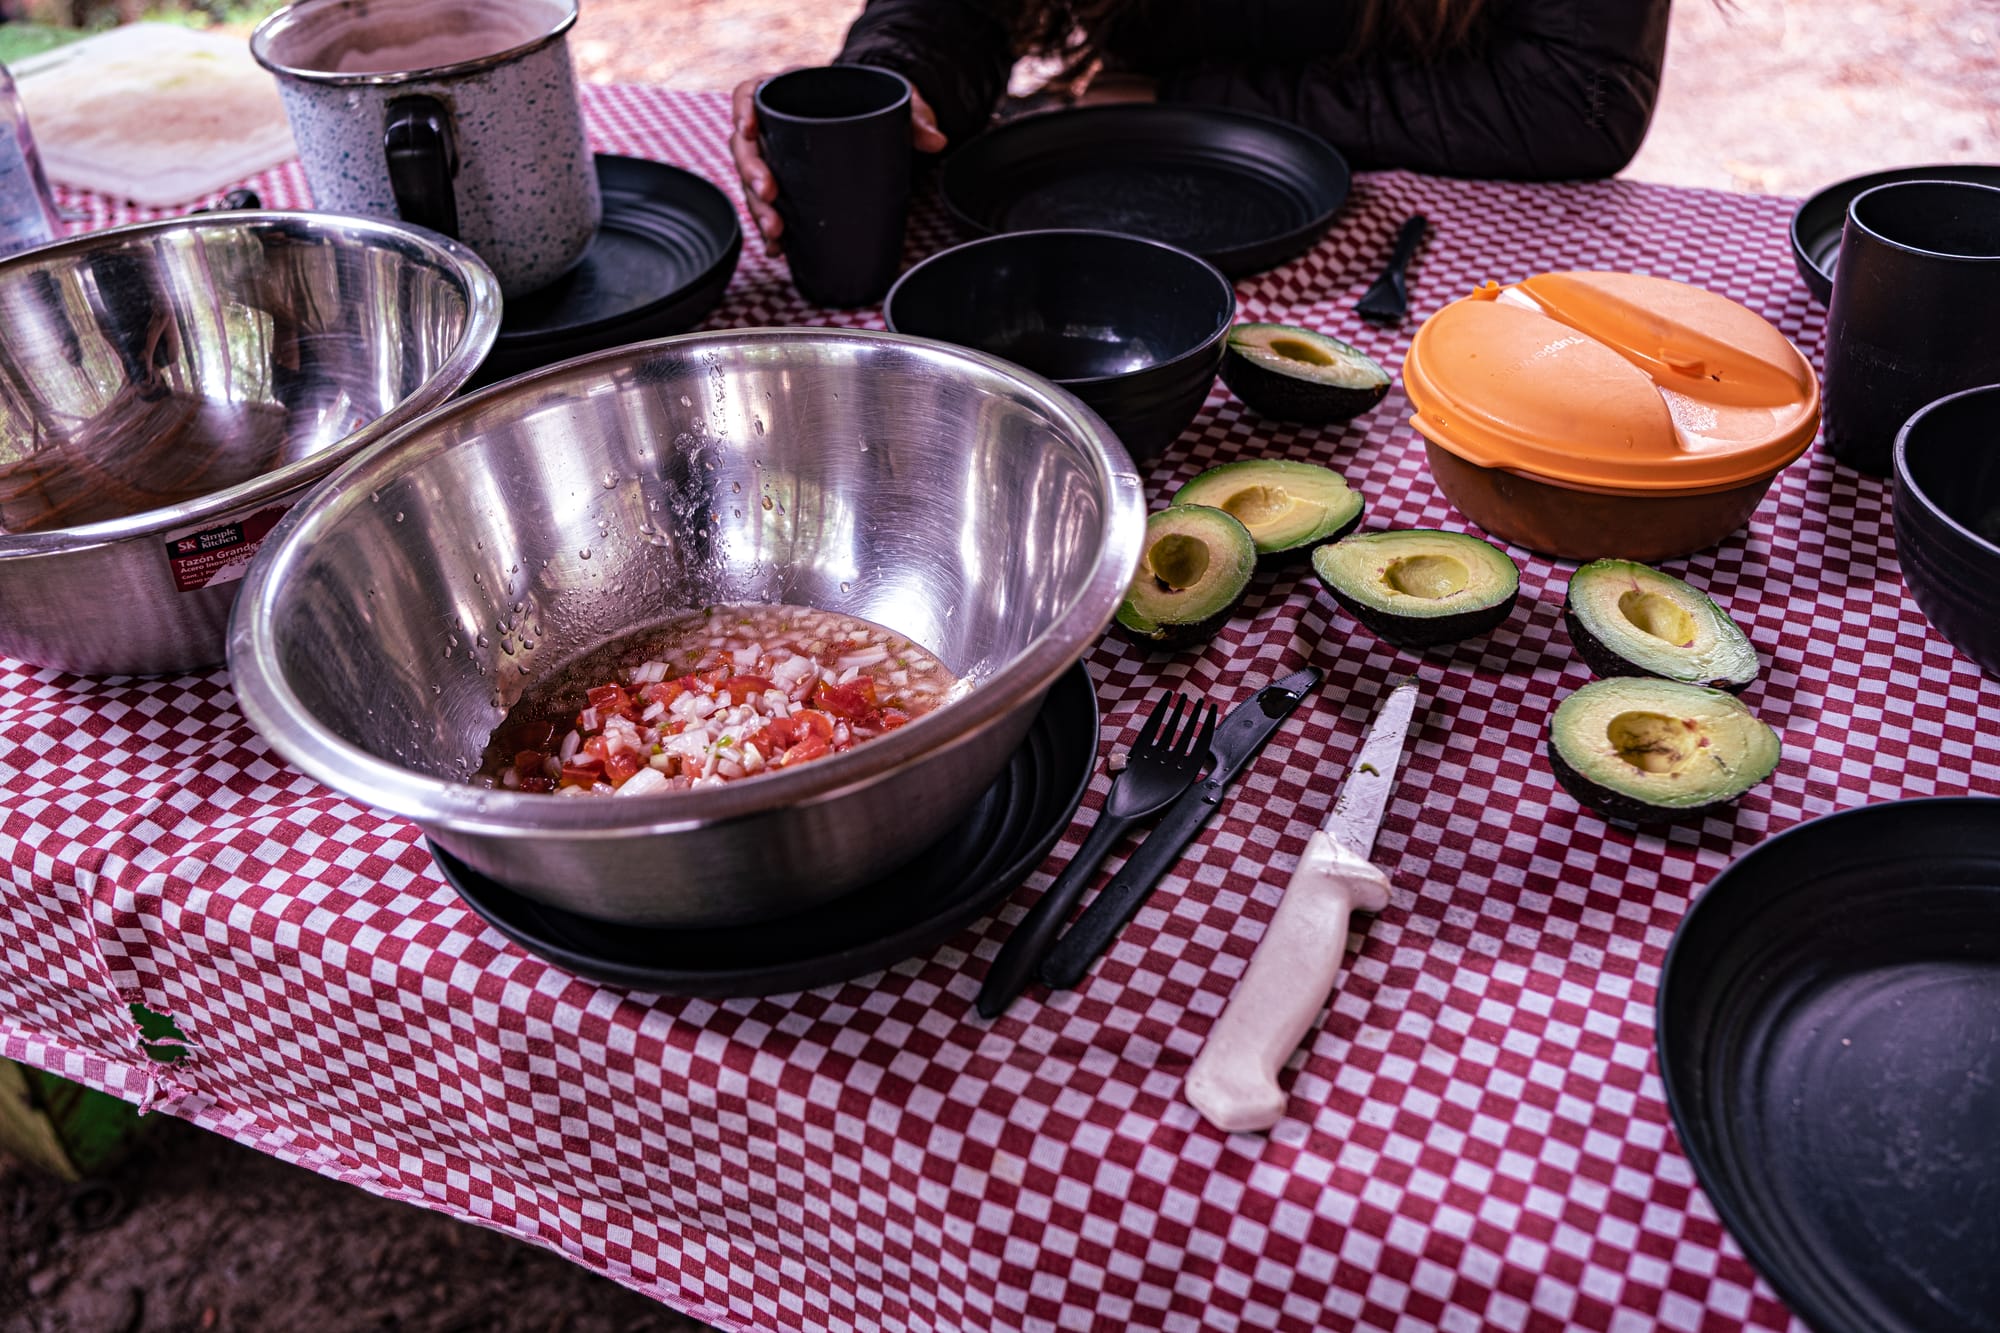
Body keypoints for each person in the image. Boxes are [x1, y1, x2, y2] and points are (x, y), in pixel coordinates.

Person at [732, 0, 1673, 253]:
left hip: (1455, 243)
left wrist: (1185, 93)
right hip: (1122, 206)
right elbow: (962, 9)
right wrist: (892, 87)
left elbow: (1577, 94)